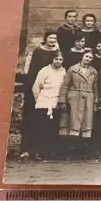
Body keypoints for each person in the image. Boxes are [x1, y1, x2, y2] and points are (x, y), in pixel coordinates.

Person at [20, 30, 60, 159]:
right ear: (46, 39)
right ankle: (28, 148)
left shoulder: (57, 52)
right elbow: (32, 70)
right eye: (50, 38)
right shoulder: (38, 51)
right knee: (32, 118)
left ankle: (46, 149)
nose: (52, 40)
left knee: (48, 120)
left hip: (51, 90)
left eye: (54, 38)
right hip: (37, 86)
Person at [58, 51, 98, 159]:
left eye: (90, 57)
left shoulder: (93, 72)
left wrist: (95, 102)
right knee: (73, 124)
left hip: (88, 99)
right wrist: (62, 100)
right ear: (82, 56)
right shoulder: (73, 69)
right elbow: (65, 85)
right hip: (74, 98)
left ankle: (82, 153)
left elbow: (95, 88)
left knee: (86, 124)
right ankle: (70, 153)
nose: (88, 59)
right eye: (86, 56)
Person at [31, 51, 66, 160]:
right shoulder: (44, 71)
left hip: (56, 102)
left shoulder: (64, 72)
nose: (58, 62)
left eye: (60, 59)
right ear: (52, 59)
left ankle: (50, 152)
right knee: (42, 128)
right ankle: (39, 152)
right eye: (56, 59)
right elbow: (36, 87)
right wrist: (39, 100)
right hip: (44, 102)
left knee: (53, 129)